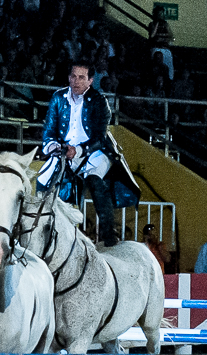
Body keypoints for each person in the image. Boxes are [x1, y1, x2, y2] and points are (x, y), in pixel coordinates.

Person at [36, 61, 141, 247]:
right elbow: (49, 130)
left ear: (90, 80)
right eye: (73, 76)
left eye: (81, 77)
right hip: (64, 150)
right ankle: (41, 229)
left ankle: (109, 234)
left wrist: (78, 150)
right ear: (69, 77)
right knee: (44, 179)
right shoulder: (58, 97)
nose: (76, 81)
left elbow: (99, 138)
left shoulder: (100, 101)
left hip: (94, 151)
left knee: (94, 179)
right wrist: (53, 146)